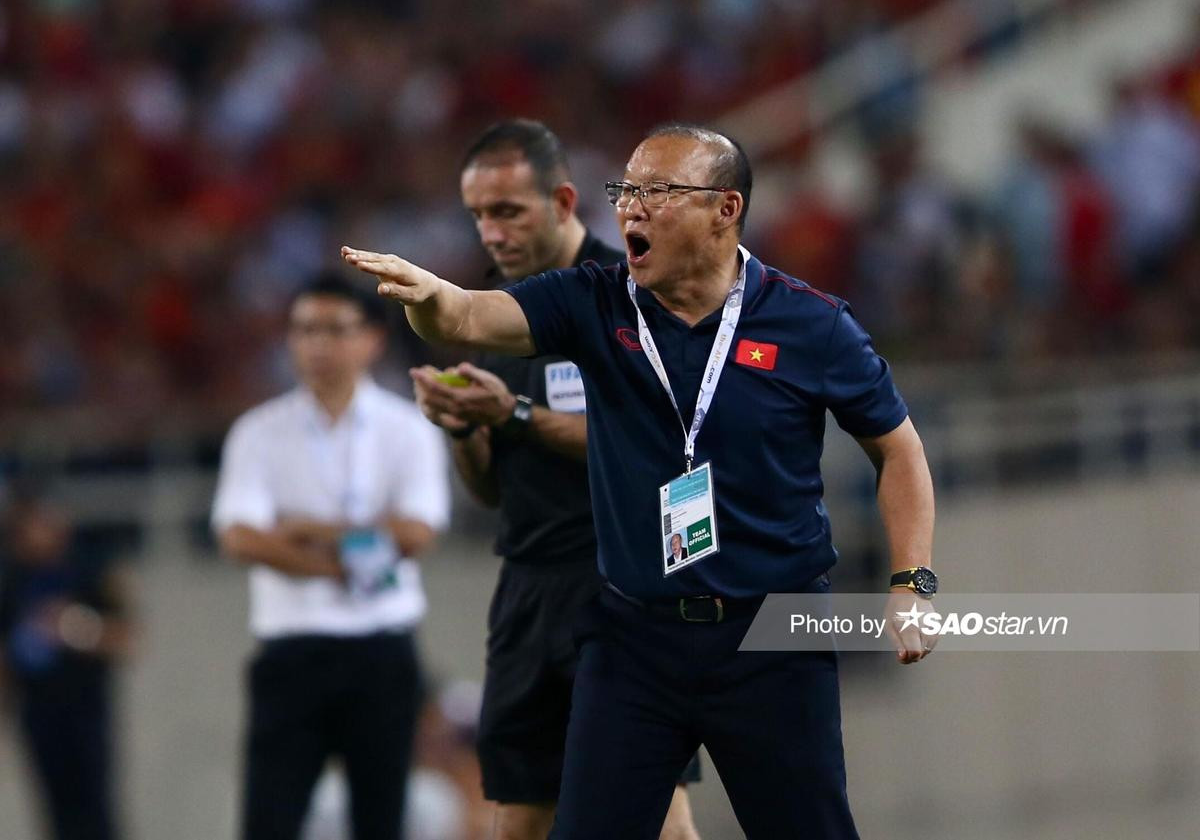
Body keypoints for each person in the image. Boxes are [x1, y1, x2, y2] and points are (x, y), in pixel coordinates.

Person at [343, 123, 937, 840]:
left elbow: (898, 450)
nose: (631, 209)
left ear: (725, 208)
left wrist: (913, 580)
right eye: (626, 190)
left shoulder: (812, 324)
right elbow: (473, 313)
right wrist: (431, 295)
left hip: (772, 635)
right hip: (634, 639)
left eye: (658, 192)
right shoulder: (594, 301)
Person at [406, 119, 700, 840]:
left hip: (623, 579)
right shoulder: (492, 316)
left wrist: (515, 414)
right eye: (478, 215)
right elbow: (494, 491)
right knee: (518, 812)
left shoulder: (632, 295)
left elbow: (663, 447)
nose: (491, 232)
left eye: (508, 211)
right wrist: (463, 430)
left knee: (653, 808)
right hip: (529, 587)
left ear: (564, 201)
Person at [211, 274, 450, 840]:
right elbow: (239, 538)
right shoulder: (258, 432)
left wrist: (303, 531)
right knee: (269, 818)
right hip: (293, 649)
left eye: (333, 330)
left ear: (372, 339)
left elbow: (417, 531)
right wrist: (352, 557)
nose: (316, 345)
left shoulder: (407, 428)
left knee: (381, 818)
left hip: (381, 649)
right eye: (303, 330)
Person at [0, 485, 138, 840]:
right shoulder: (12, 581)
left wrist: (73, 627)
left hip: (85, 708)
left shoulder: (89, 571)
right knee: (55, 812)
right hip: (38, 712)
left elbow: (126, 638)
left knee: (95, 808)